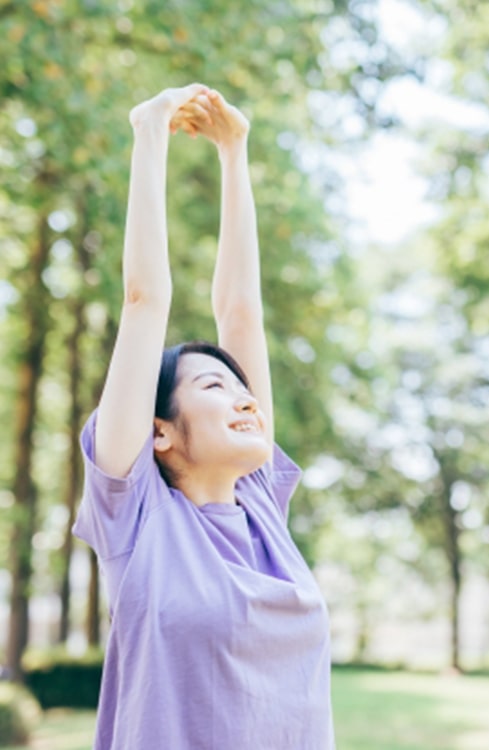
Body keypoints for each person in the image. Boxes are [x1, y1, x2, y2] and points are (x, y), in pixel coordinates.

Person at [73, 84, 335, 749]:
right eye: (217, 386)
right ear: (158, 431)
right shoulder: (137, 521)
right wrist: (150, 130)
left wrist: (234, 150)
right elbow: (142, 300)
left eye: (243, 390)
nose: (248, 399)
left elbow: (242, 312)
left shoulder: (263, 509)